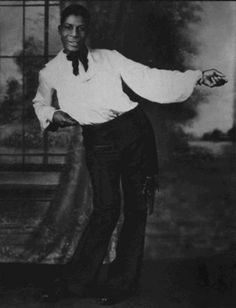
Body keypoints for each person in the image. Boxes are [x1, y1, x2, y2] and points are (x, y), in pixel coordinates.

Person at [33, 4, 227, 305]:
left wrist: (198, 76)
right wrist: (53, 113)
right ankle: (73, 285)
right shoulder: (50, 71)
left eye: (80, 28)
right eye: (68, 28)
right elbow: (40, 103)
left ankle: (122, 284)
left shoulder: (108, 58)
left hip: (133, 132)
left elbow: (150, 78)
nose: (74, 34)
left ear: (87, 31)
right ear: (60, 30)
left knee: (136, 210)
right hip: (98, 141)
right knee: (106, 209)